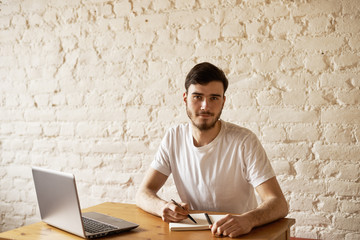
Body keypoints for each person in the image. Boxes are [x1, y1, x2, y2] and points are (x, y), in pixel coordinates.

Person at [136, 62, 288, 238]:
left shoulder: (244, 141)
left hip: (239, 235)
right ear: (185, 98)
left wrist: (248, 220)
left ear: (223, 101)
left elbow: (278, 203)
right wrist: (162, 207)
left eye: (214, 98)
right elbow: (143, 193)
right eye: (197, 97)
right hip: (195, 234)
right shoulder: (173, 137)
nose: (205, 106)